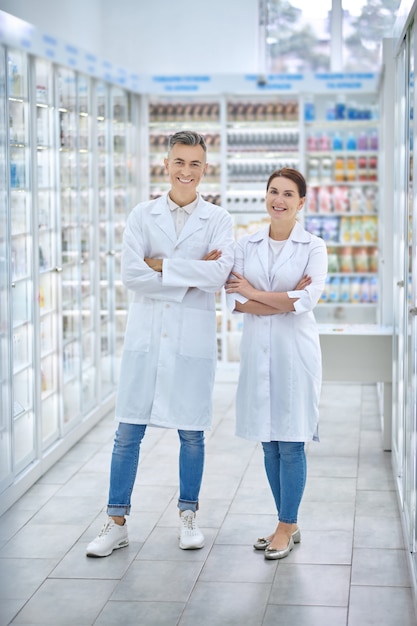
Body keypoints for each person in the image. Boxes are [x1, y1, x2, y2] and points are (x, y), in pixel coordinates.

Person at [87, 130, 234, 557]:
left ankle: (188, 515)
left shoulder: (219, 220)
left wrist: (161, 266)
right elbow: (132, 276)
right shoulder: (141, 215)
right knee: (127, 433)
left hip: (192, 342)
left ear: (204, 170)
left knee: (192, 435)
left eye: (195, 164)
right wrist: (189, 275)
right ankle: (116, 522)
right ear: (165, 165)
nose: (186, 171)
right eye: (179, 162)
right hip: (147, 342)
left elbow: (218, 276)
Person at [225, 167, 327, 560]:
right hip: (258, 353)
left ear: (301, 202)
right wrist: (281, 298)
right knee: (268, 444)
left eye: (288, 194)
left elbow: (306, 302)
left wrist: (255, 293)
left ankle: (286, 524)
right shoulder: (244, 245)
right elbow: (234, 301)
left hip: (295, 354)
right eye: (273, 192)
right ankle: (287, 521)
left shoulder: (313, 247)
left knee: (292, 441)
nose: (278, 200)